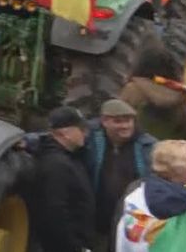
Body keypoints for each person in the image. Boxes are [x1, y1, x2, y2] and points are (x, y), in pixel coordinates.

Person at [87, 98, 159, 247]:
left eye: (128, 121)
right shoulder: (92, 140)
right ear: (104, 121)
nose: (125, 126)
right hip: (97, 218)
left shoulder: (147, 145)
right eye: (118, 121)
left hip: (134, 220)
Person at [29, 106, 95, 252]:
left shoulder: (71, 157)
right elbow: (55, 213)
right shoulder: (56, 165)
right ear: (65, 133)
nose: (86, 133)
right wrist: (75, 248)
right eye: (81, 129)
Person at [120, 44, 186, 140]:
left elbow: (119, 120)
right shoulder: (180, 89)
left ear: (140, 65)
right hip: (174, 143)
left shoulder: (133, 89)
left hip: (142, 144)